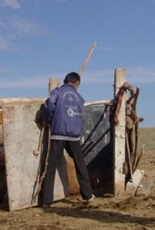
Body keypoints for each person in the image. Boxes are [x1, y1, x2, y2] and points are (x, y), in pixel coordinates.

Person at [40, 72, 94, 207]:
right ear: (77, 83)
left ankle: (47, 200)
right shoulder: (79, 98)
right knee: (80, 164)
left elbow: (50, 105)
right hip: (74, 135)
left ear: (65, 81)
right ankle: (88, 195)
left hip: (58, 134)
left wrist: (46, 118)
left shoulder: (57, 92)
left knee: (51, 166)